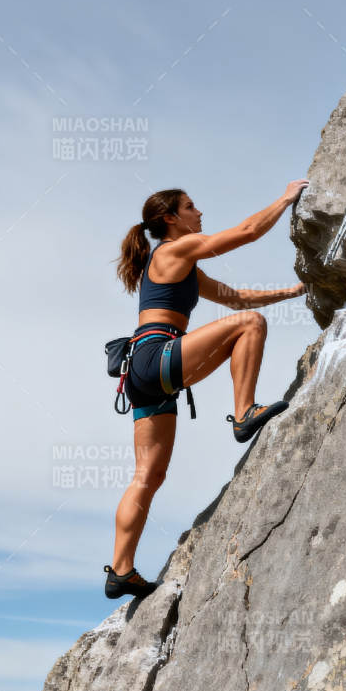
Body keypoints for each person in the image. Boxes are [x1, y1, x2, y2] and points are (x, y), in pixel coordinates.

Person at [103, 181, 309, 599]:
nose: (200, 213)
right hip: (157, 355)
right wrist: (286, 199)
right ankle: (245, 411)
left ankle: (121, 570)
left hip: (144, 369)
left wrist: (294, 290)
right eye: (191, 207)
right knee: (251, 326)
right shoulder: (173, 250)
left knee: (148, 475)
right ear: (170, 219)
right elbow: (248, 232)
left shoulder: (183, 266)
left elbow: (236, 298)